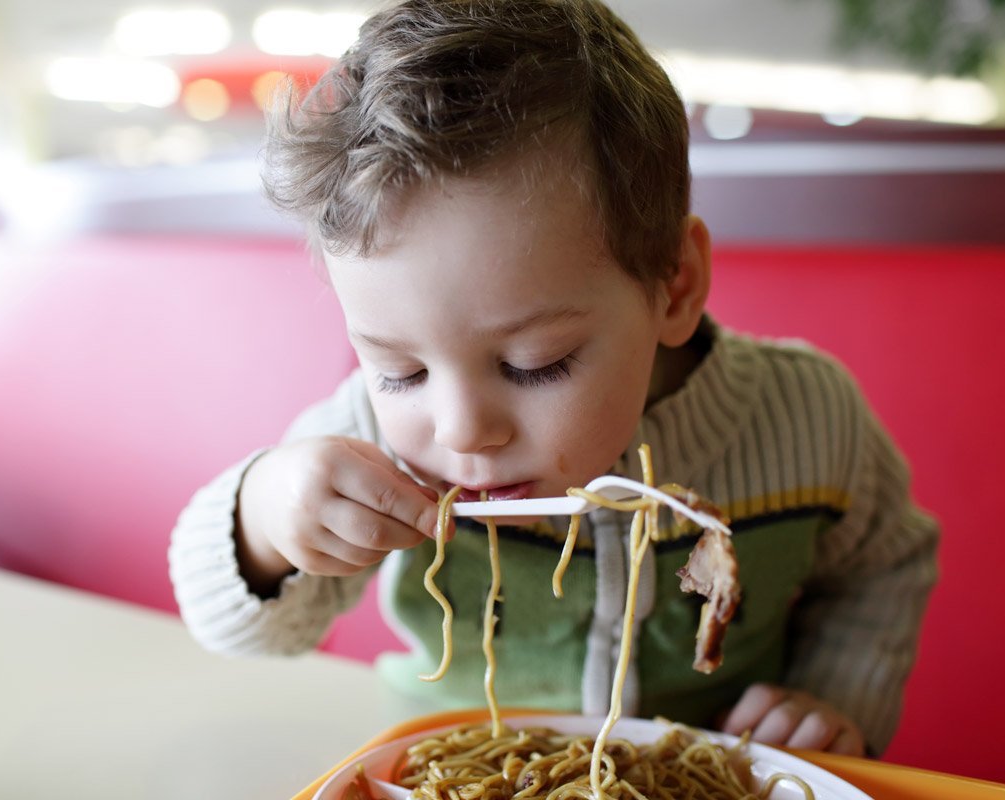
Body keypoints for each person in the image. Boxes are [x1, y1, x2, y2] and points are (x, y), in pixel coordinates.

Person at [168, 0, 938, 757]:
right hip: (448, 769)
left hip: (705, 774)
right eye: (399, 370)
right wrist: (266, 519)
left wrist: (833, 696)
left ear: (673, 283)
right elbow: (249, 626)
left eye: (532, 364)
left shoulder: (807, 419)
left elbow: (884, 567)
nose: (461, 429)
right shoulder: (372, 443)